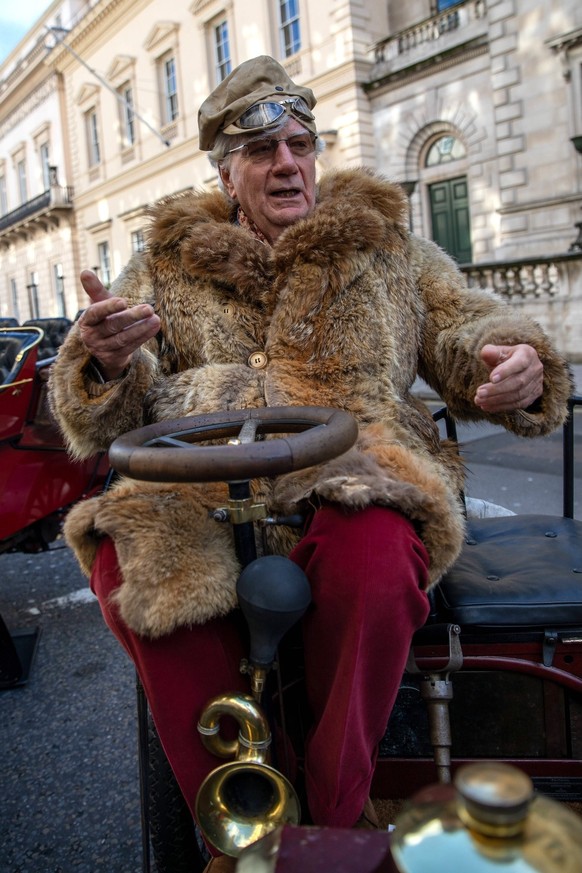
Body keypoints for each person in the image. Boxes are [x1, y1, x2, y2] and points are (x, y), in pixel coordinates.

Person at [49, 56, 572, 872]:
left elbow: (463, 326)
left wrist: (511, 361)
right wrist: (106, 361)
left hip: (360, 460)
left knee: (370, 560)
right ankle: (242, 822)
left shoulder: (388, 243)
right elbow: (107, 408)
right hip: (197, 483)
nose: (288, 163)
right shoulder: (164, 261)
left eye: (300, 143)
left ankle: (327, 823)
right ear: (227, 173)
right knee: (135, 567)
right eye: (262, 152)